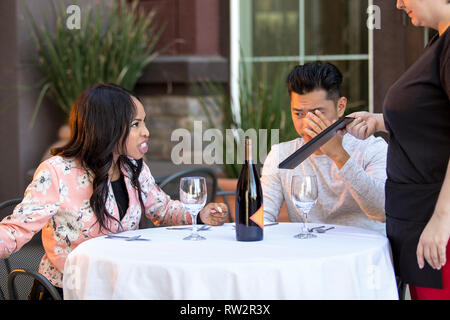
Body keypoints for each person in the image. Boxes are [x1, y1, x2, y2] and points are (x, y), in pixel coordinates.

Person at [0, 83, 228, 300]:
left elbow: (163, 209)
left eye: (144, 122)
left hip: (122, 285)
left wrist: (198, 215)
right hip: (68, 290)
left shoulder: (133, 167)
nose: (146, 132)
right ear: (107, 127)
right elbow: (15, 229)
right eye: (136, 124)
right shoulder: (58, 171)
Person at [342, 0, 450, 300]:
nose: (399, 3)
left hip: (436, 229)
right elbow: (434, 124)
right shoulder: (439, 41)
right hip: (418, 221)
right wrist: (380, 121)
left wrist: (442, 221)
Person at [261, 62, 388, 234]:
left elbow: (383, 211)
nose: (307, 123)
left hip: (363, 255)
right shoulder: (280, 155)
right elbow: (262, 219)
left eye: (317, 113)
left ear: (340, 106)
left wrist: (340, 157)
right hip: (309, 255)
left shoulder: (372, 148)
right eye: (299, 113)